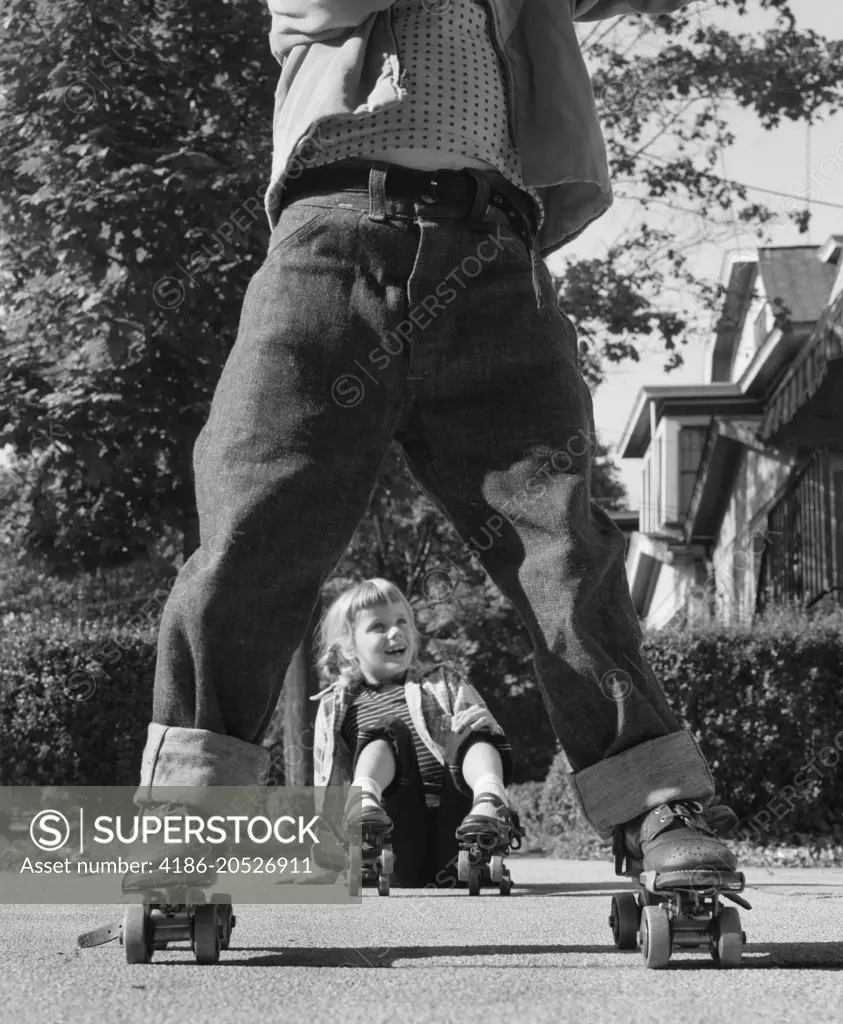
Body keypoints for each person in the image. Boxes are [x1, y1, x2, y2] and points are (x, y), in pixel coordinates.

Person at [133, 0, 740, 893]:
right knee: (252, 538)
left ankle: (656, 801)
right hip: (331, 247)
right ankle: (186, 818)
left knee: (563, 548)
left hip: (495, 262)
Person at [310, 576, 523, 886]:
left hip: (459, 827)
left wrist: (490, 727)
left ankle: (491, 803)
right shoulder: (337, 705)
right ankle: (364, 805)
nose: (395, 632)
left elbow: (486, 735)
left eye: (402, 622)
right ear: (349, 646)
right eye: (378, 627)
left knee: (472, 728)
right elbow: (326, 781)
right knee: (388, 730)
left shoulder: (442, 682)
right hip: (393, 833)